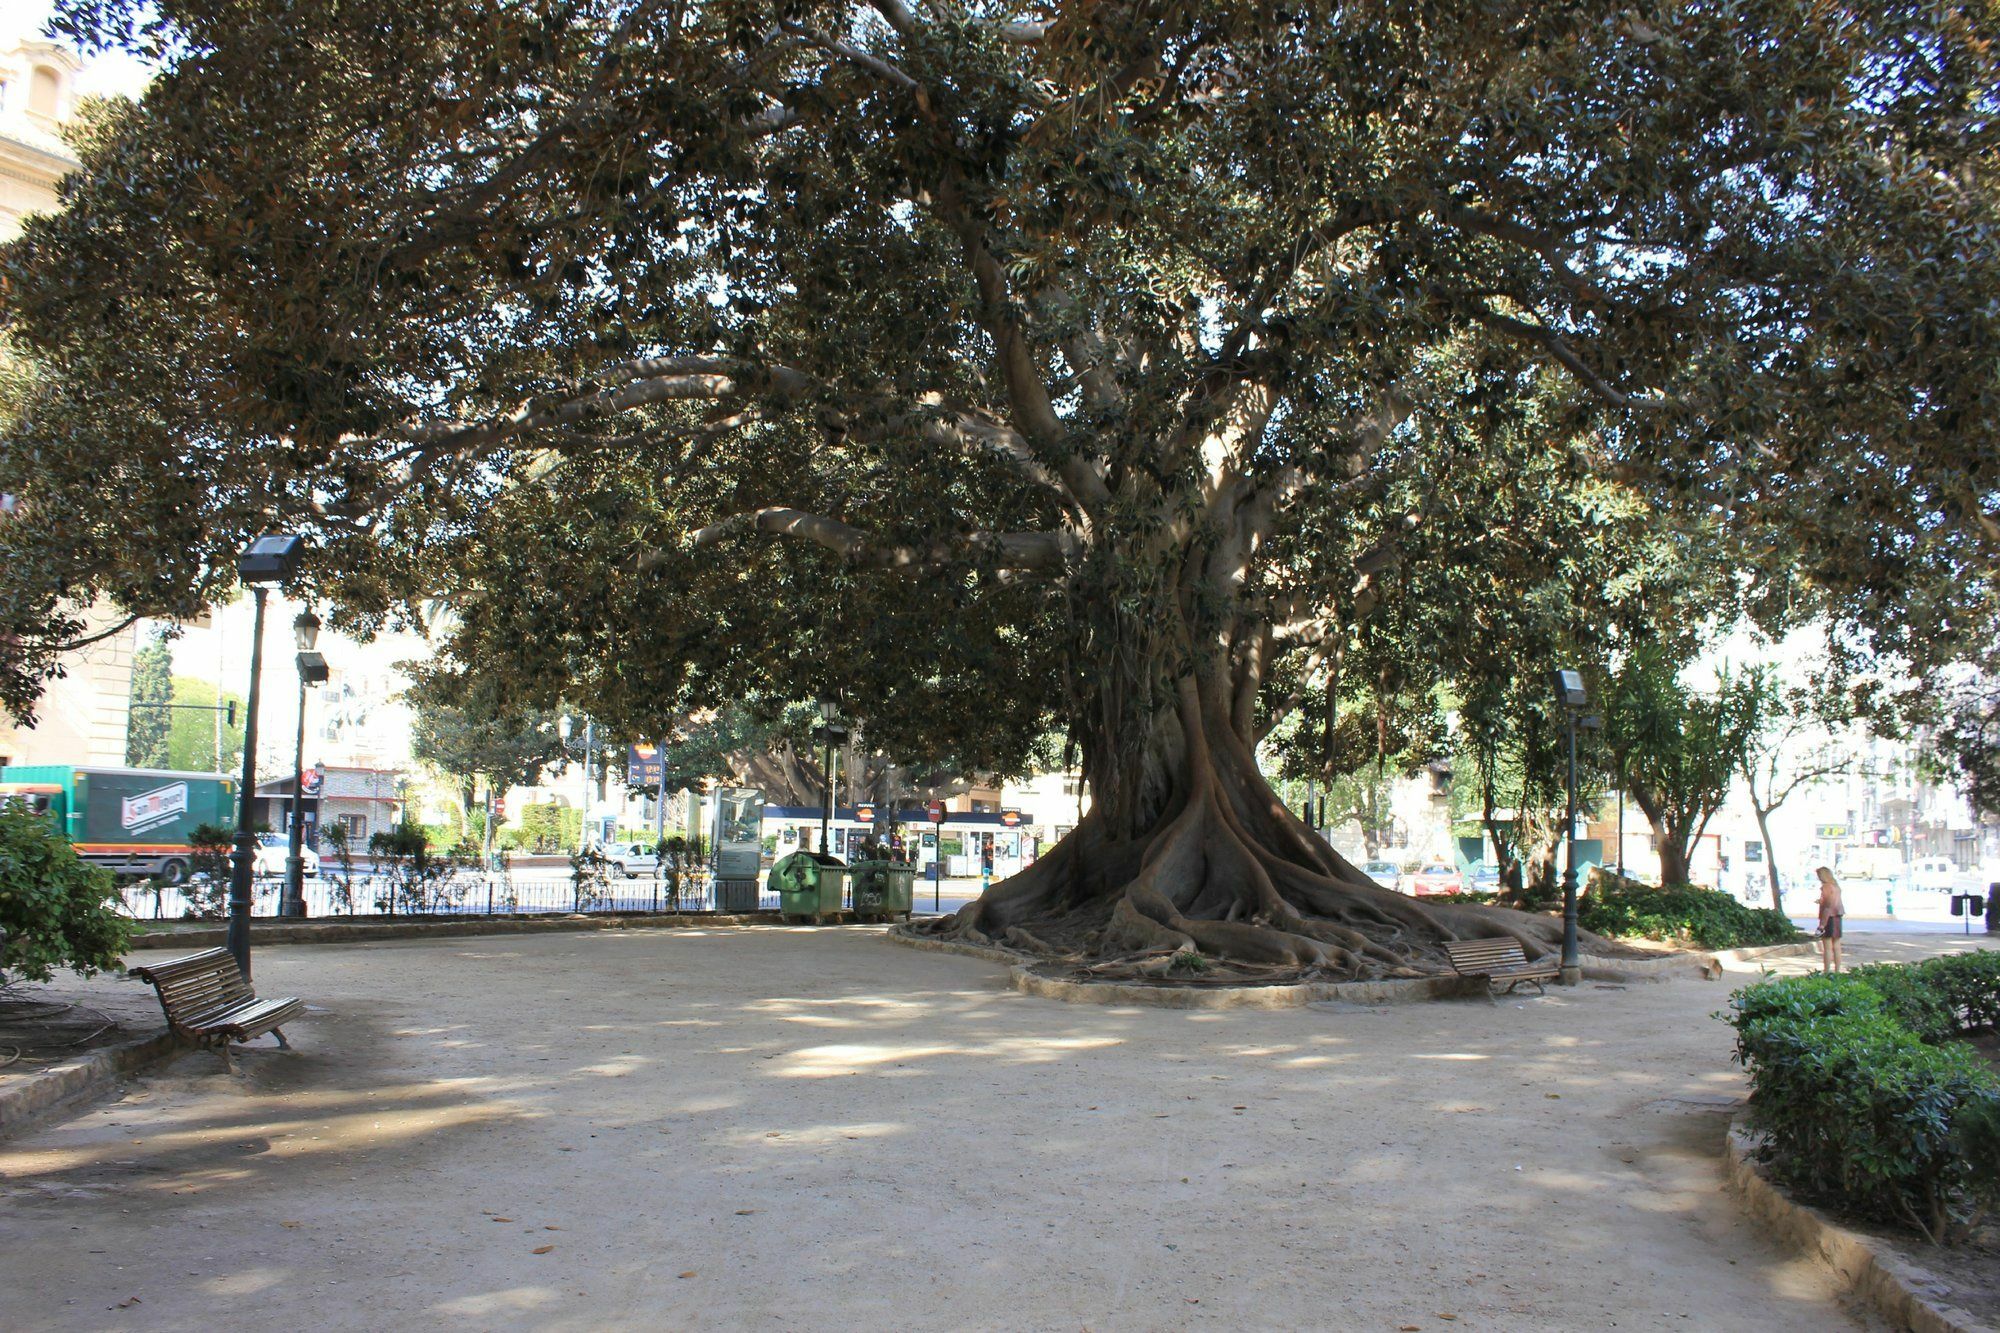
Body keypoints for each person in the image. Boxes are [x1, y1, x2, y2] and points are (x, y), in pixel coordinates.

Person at [1814, 866, 1845, 973]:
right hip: (1838, 916)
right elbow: (1833, 902)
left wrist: (1822, 925)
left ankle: (1826, 971)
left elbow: (1828, 906)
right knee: (1836, 945)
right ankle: (1837, 971)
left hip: (1828, 918)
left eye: (1819, 875)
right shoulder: (1836, 886)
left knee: (1827, 947)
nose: (1818, 878)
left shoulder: (1826, 887)